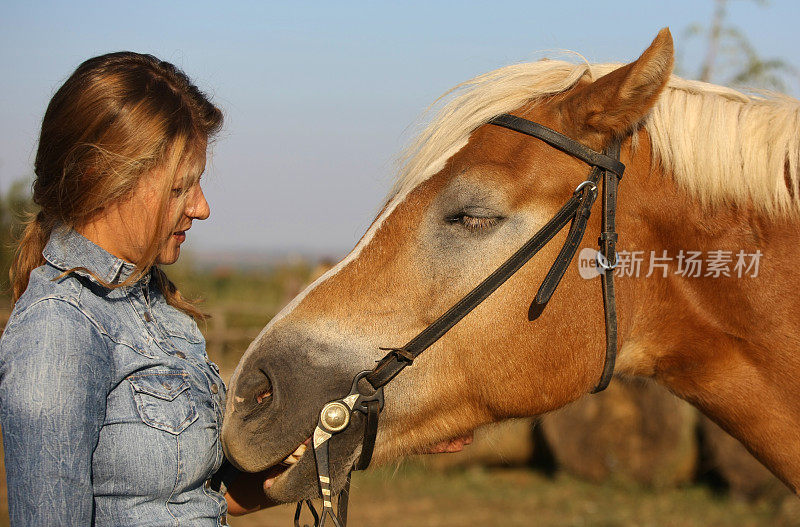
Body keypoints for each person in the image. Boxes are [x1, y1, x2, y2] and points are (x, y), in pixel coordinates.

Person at [0, 52, 268, 525]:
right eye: (179, 188)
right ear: (104, 182)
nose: (201, 207)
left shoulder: (159, 311)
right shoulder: (57, 330)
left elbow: (191, 499)